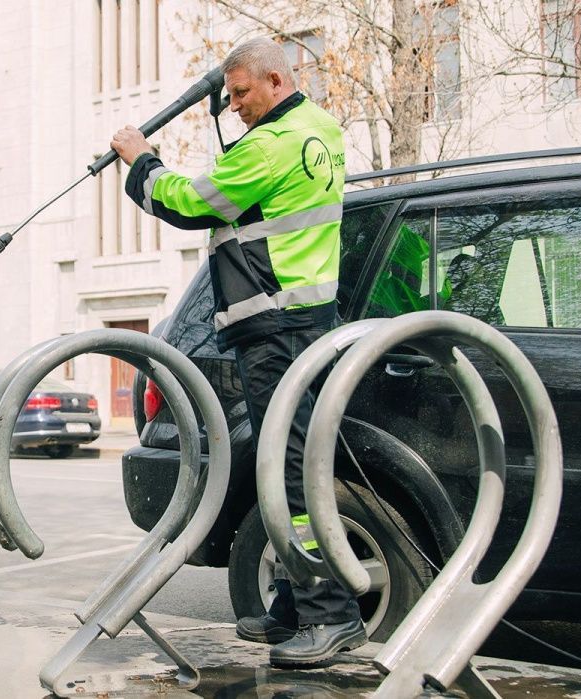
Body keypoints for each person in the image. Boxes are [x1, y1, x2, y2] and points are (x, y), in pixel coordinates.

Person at [109, 37, 365, 667]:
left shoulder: (270, 145)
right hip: (302, 321)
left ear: (276, 80)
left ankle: (330, 615)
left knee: (292, 473)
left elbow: (192, 204)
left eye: (243, 93)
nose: (236, 106)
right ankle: (294, 603)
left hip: (275, 330)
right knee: (281, 468)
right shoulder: (320, 129)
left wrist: (141, 162)